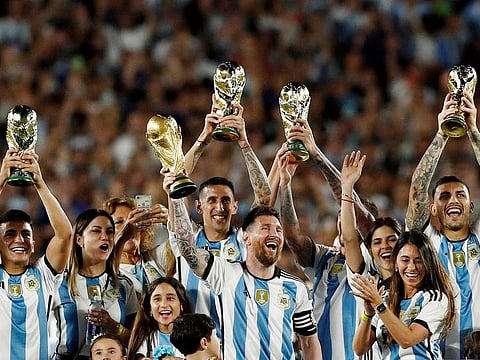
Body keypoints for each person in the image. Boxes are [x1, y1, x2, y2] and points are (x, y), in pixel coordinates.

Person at [165, 171, 321, 360]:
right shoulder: (226, 273)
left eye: (278, 230)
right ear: (245, 237)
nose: (274, 233)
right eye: (265, 228)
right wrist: (175, 197)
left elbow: (309, 341)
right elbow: (186, 246)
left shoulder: (296, 288)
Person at [167, 97, 272, 334]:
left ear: (235, 207)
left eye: (226, 200)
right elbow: (177, 178)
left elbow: (264, 199)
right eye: (211, 201)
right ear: (198, 207)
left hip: (239, 345)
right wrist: (205, 137)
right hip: (194, 349)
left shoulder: (245, 240)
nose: (219, 207)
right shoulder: (187, 237)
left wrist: (243, 141)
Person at [406, 91, 480, 359]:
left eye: (461, 195)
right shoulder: (427, 242)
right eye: (445, 196)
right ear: (433, 208)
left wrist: (472, 130)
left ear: (471, 207)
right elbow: (417, 189)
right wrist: (442, 134)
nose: (454, 200)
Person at [0, 149, 73, 360]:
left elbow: (65, 234)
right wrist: (2, 178)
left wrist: (39, 183)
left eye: (25, 234)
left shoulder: (44, 276)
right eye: (10, 234)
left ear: (33, 244)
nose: (18, 240)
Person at [351, 230, 456, 359]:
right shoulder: (385, 299)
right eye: (405, 260)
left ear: (428, 263)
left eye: (419, 261)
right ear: (396, 263)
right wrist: (368, 314)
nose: (412, 267)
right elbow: (360, 349)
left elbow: (407, 340)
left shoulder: (435, 298)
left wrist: (379, 305)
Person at [51, 208, 139, 360]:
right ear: (79, 239)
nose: (105, 237)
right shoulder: (57, 283)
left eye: (110, 232)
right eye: (96, 231)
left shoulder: (124, 284)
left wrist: (113, 327)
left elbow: (138, 339)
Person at [102, 196, 174, 295]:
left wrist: (170, 220)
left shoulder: (156, 257)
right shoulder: (103, 271)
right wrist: (122, 238)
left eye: (132, 219)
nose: (128, 226)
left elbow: (184, 243)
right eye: (119, 222)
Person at [127, 277, 192, 360]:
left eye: (170, 298)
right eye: (157, 299)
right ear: (149, 308)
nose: (164, 304)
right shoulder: (144, 336)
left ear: (181, 305)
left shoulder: (194, 336)